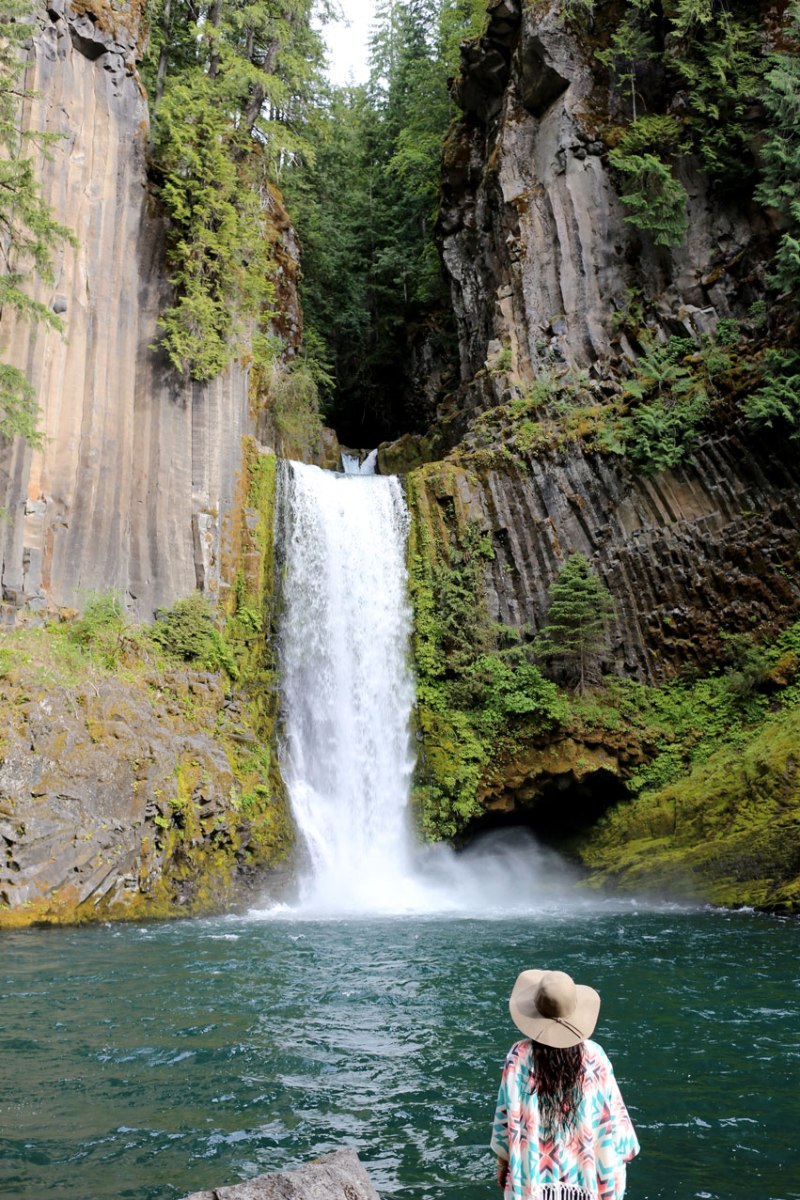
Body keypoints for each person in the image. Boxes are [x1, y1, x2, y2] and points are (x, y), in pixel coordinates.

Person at [491, 968, 639, 1200]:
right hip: (586, 1183)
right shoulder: (595, 1057)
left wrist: (504, 1164)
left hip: (536, 1183)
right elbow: (615, 1124)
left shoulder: (518, 1057)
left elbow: (507, 1119)